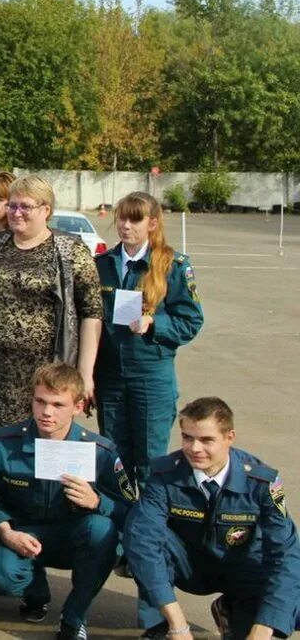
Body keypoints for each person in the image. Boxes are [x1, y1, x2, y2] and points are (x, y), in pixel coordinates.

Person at [126, 397, 300, 639]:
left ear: (230, 437)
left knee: (289, 590)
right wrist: (178, 623)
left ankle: (232, 610)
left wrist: (264, 627)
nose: (195, 448)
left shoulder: (262, 482)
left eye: (207, 440)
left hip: (243, 569)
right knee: (147, 540)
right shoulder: (164, 474)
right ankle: (160, 625)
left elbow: (286, 554)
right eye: (187, 437)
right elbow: (143, 539)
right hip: (189, 566)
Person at [0, 362, 136, 640]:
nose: (46, 412)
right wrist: (5, 532)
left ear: (78, 407)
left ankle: (74, 617)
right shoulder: (2, 442)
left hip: (74, 538)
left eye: (58, 404)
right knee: (2, 575)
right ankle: (36, 592)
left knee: (102, 531)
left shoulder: (100, 452)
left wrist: (97, 501)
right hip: (23, 535)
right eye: (40, 401)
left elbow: (130, 511)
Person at [0, 174, 103, 449]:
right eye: (12, 206)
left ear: (45, 210)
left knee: (41, 445)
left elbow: (92, 313)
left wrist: (85, 374)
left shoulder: (70, 251)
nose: (16, 213)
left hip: (45, 375)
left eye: (25, 207)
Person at [95, 191, 204, 487]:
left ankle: (148, 527)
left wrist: (155, 323)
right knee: (114, 460)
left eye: (135, 219)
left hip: (151, 376)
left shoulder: (173, 266)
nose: (125, 225)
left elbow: (191, 320)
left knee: (149, 461)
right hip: (110, 377)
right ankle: (117, 526)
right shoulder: (102, 264)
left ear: (152, 224)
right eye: (121, 218)